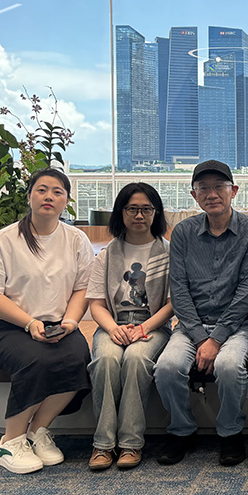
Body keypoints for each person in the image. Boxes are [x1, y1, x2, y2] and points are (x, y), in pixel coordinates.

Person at [0, 168, 94, 474]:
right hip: (9, 328)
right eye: (42, 190)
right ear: (29, 196)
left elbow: (82, 288)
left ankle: (38, 430)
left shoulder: (76, 239)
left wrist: (71, 322)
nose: (49, 196)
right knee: (36, 360)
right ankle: (10, 441)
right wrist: (29, 323)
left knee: (79, 358)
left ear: (66, 201)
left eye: (57, 192)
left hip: (59, 324)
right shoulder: (5, 239)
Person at [153, 160, 248, 467]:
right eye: (204, 188)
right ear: (194, 195)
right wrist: (201, 337)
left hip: (237, 325)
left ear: (234, 191)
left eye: (219, 187)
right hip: (190, 325)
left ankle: (231, 432)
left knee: (229, 366)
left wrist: (216, 339)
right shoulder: (183, 232)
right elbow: (179, 290)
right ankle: (182, 430)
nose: (212, 194)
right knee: (167, 367)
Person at [86, 182, 173, 471]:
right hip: (114, 325)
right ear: (120, 212)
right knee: (106, 360)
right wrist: (113, 329)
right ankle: (102, 444)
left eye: (146, 209)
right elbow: (96, 304)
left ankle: (131, 444)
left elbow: (172, 304)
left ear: (156, 213)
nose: (139, 215)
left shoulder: (168, 252)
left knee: (136, 359)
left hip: (153, 325)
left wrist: (143, 328)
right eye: (132, 209)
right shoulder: (107, 254)